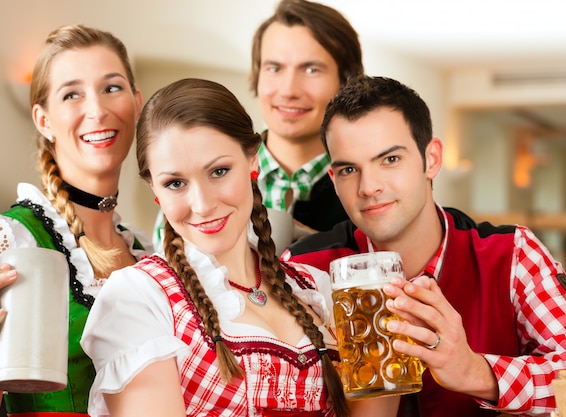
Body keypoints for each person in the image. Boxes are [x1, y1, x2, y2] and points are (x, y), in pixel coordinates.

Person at [80, 78, 399, 417]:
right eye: (175, 183)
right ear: (155, 189)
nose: (201, 204)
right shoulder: (138, 297)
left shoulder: (318, 290)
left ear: (253, 160)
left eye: (218, 171)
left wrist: (389, 344)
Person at [283, 75, 566, 417]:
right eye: (349, 169)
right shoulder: (302, 270)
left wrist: (476, 372)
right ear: (334, 179)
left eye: (389, 160)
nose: (368, 186)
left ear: (431, 159)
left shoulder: (512, 253)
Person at [0, 25, 153, 417]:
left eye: (112, 88)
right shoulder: (6, 240)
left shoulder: (147, 252)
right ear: (43, 120)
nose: (97, 110)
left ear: (137, 102)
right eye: (72, 94)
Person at [151, 0, 363, 251]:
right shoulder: (192, 194)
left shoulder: (368, 186)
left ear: (346, 81)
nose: (288, 91)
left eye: (311, 69)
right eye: (274, 68)